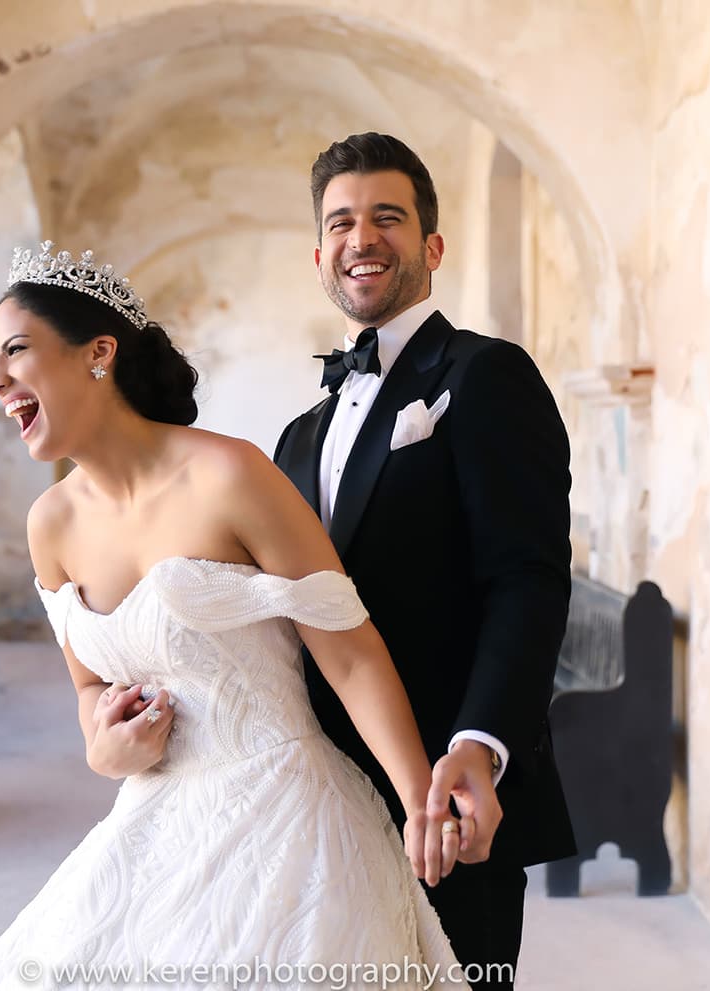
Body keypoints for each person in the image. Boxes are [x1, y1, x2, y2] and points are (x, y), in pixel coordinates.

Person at [0, 242, 467, 990]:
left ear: (99, 353)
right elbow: (90, 692)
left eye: (16, 352)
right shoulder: (50, 525)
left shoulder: (230, 473)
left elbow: (350, 651)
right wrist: (108, 750)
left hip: (289, 823)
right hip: (156, 824)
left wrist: (421, 800)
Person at [272, 133, 577, 989]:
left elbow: (525, 578)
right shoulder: (299, 437)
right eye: (341, 222)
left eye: (387, 218)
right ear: (321, 253)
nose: (361, 238)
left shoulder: (486, 376)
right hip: (323, 799)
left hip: (448, 792)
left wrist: (479, 745)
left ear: (431, 246)